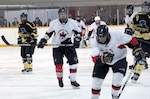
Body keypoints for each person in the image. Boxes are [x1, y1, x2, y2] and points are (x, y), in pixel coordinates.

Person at [90, 25, 146, 99]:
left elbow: (131, 40)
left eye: (103, 36)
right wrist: (103, 59)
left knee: (117, 80)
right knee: (96, 82)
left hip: (119, 58)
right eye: (99, 37)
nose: (101, 39)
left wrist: (137, 48)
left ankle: (115, 96)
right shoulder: (94, 41)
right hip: (103, 62)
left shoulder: (117, 36)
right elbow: (95, 59)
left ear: (107, 34)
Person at [37, 7, 81, 88]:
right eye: (61, 14)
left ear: (67, 15)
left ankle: (73, 80)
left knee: (74, 63)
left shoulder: (72, 22)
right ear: (59, 15)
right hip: (57, 46)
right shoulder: (54, 23)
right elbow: (48, 33)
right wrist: (43, 40)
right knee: (58, 64)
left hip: (68, 45)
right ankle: (60, 79)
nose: (62, 16)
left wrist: (77, 38)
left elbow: (78, 32)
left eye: (64, 14)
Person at [128, 1, 150, 82]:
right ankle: (136, 74)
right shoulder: (137, 15)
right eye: (143, 7)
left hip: (147, 41)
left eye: (146, 8)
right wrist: (129, 29)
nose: (144, 9)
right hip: (138, 39)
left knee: (142, 57)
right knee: (140, 57)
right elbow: (132, 25)